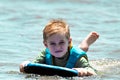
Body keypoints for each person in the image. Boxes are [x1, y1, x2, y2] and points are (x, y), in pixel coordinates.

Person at [20, 19, 99, 77]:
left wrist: (84, 71)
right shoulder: (45, 54)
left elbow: (94, 73)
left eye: (61, 42)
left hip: (73, 55)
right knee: (66, 50)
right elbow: (34, 66)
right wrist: (24, 65)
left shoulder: (78, 58)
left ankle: (84, 44)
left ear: (69, 42)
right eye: (52, 43)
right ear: (46, 45)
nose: (57, 47)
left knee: (80, 50)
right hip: (67, 49)